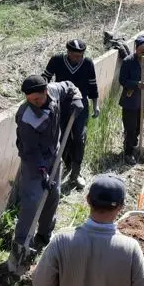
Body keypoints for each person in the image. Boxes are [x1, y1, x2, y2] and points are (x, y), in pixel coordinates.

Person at [12, 75, 84, 264]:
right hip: (34, 161)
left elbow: (70, 85)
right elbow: (30, 150)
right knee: (32, 200)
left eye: (38, 99)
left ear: (45, 91)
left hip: (55, 155)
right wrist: (43, 171)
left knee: (54, 194)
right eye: (31, 100)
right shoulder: (25, 117)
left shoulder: (53, 90)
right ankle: (20, 244)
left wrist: (76, 98)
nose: (35, 103)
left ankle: (44, 235)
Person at [42, 39, 100, 190]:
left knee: (80, 137)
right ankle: (63, 166)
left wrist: (96, 105)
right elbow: (45, 79)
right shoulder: (56, 60)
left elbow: (93, 86)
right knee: (60, 137)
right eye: (74, 55)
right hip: (60, 105)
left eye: (80, 55)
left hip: (80, 106)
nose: (77, 58)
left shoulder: (87, 63)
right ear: (68, 52)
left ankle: (76, 173)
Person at [119, 35, 144, 165]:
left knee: (138, 128)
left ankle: (133, 146)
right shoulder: (128, 61)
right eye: (142, 52)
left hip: (142, 101)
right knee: (130, 127)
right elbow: (122, 80)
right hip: (130, 101)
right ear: (136, 49)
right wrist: (136, 84)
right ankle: (128, 152)